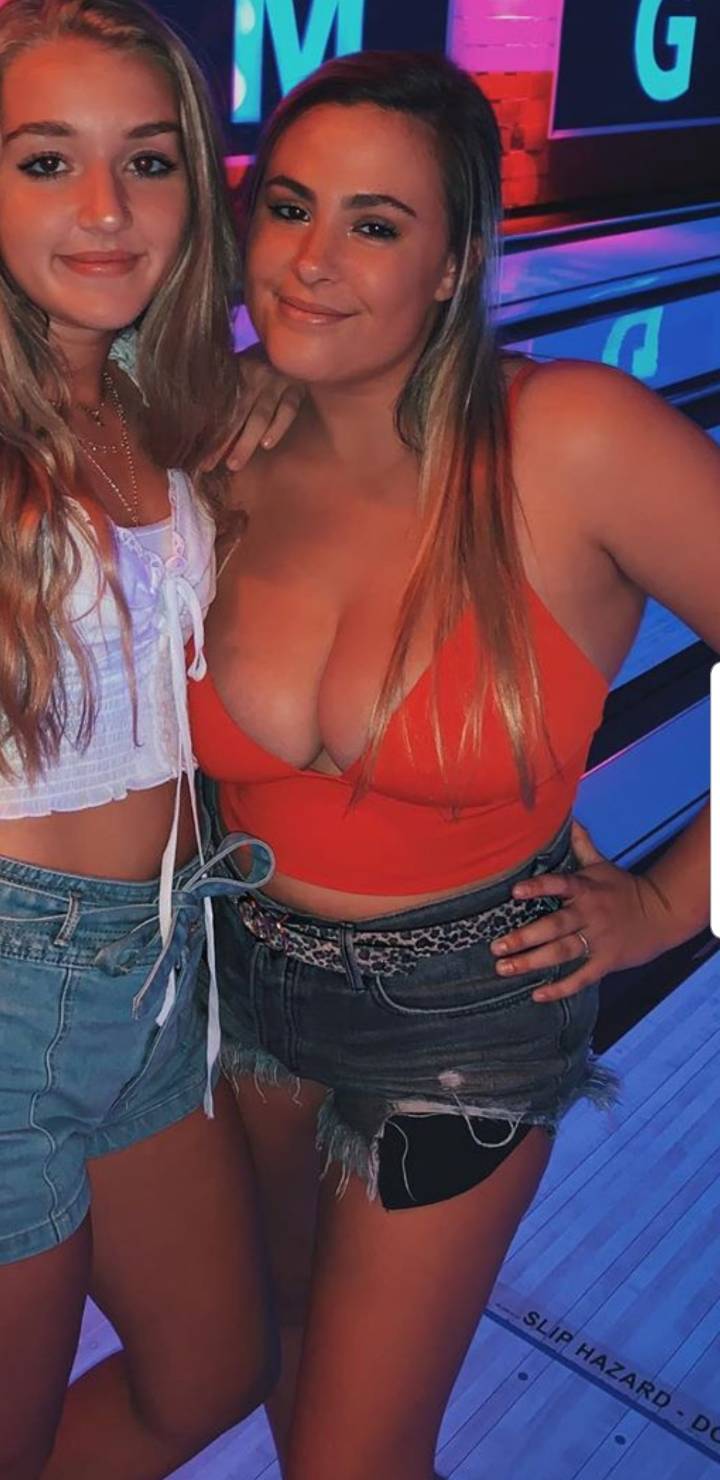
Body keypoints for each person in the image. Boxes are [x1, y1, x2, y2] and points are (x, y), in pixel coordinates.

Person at [189, 50, 720, 1480]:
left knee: (352, 1456)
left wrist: (673, 904)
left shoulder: (571, 439)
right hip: (239, 984)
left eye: (375, 223)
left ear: (452, 263)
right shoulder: (219, 436)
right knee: (286, 1354)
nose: (312, 259)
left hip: (463, 1017)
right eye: (290, 206)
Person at [0, 2, 300, 1476]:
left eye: (148, 160)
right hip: (10, 989)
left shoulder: (148, 397)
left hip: (164, 970)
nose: (107, 210)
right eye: (46, 160)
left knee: (212, 1373)